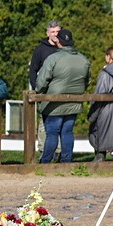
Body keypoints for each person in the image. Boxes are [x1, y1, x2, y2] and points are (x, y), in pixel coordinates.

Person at [35, 28, 90, 164]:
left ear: (58, 41)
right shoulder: (83, 59)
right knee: (67, 132)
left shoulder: (53, 58)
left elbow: (42, 81)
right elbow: (87, 81)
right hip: (74, 102)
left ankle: (45, 162)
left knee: (52, 133)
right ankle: (67, 161)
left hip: (53, 103)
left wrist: (40, 92)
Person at [28, 20, 62, 91]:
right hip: (45, 90)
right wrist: (36, 88)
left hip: (61, 89)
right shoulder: (40, 49)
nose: (56, 34)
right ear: (47, 33)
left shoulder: (65, 48)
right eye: (53, 32)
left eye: (58, 32)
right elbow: (33, 70)